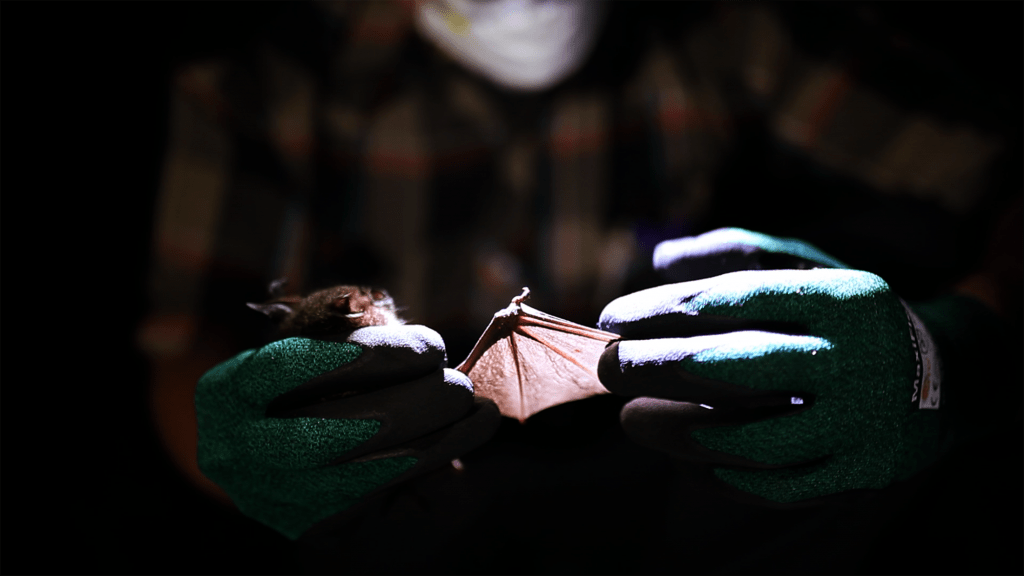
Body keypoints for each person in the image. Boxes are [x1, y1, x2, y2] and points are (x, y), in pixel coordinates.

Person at [139, 2, 1020, 573]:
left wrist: (954, 349)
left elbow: (1001, 172)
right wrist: (257, 450)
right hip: (430, 492)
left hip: (670, 471)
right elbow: (184, 343)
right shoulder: (262, 84)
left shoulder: (726, 30)